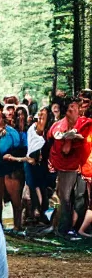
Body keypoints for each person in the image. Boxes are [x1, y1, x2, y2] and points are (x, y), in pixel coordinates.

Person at [48, 98, 92, 238]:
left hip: (83, 166)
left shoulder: (86, 123)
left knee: (80, 197)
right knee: (64, 197)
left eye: (73, 106)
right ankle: (62, 228)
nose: (71, 110)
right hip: (66, 167)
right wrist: (68, 138)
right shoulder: (59, 125)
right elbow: (58, 144)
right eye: (68, 107)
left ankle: (77, 228)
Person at [0, 100, 24, 229]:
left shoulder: (12, 133)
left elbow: (20, 150)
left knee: (15, 201)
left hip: (10, 171)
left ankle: (18, 227)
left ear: (2, 111)